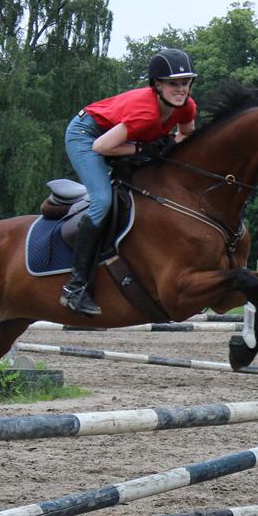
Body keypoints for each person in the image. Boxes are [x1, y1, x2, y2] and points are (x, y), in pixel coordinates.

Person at [60, 48, 198, 316]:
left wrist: (168, 146)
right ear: (157, 85)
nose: (181, 90)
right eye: (173, 84)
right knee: (102, 199)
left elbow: (186, 136)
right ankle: (75, 288)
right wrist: (141, 150)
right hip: (87, 136)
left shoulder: (187, 106)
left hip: (120, 140)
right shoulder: (144, 114)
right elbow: (101, 147)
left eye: (185, 82)